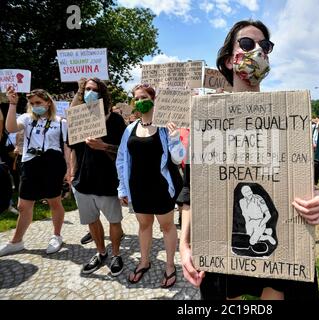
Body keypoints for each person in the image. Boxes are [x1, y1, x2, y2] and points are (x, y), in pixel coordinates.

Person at [180, 20, 319, 300]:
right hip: (222, 243)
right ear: (228, 59)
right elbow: (191, 193)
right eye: (247, 44)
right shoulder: (208, 120)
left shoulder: (287, 119)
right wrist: (184, 243)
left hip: (278, 247)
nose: (258, 50)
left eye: (265, 46)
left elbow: (306, 183)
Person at [116, 84, 185, 286]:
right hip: (138, 188)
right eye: (136, 98)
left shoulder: (166, 128)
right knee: (144, 225)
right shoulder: (130, 129)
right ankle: (144, 262)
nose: (139, 102)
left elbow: (179, 158)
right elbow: (121, 159)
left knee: (166, 226)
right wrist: (122, 187)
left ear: (154, 100)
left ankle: (170, 265)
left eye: (143, 97)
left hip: (161, 188)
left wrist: (174, 139)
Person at [0, 87, 71, 256]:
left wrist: (68, 169)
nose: (35, 106)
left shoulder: (60, 121)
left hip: (53, 164)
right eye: (32, 103)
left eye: (38, 102)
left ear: (48, 102)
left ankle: (56, 235)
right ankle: (16, 241)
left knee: (54, 201)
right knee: (23, 205)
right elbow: (10, 128)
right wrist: (12, 103)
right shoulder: (26, 118)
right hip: (30, 164)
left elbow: (66, 147)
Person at [69, 78, 126, 276]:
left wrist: (103, 146)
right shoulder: (78, 118)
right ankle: (101, 253)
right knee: (92, 221)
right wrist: (71, 174)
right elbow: (73, 150)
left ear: (102, 93)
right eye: (86, 89)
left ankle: (117, 254)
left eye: (94, 89)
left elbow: (124, 152)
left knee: (114, 221)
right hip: (82, 182)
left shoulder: (116, 120)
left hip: (107, 181)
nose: (89, 93)